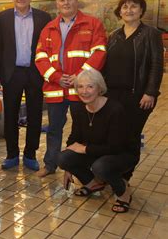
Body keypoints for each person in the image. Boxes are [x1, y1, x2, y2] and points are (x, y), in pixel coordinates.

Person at [35, 0, 107, 177]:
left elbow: (99, 52)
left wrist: (81, 77)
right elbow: (40, 57)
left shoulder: (92, 24)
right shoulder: (48, 28)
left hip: (82, 90)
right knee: (54, 130)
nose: (66, 3)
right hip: (56, 88)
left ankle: (83, 167)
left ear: (77, 1)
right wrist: (57, 77)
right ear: (57, 4)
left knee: (85, 130)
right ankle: (50, 165)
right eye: (62, 0)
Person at [57, 69, 137, 213]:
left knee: (100, 166)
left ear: (99, 88)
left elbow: (116, 147)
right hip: (97, 151)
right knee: (63, 158)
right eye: (80, 87)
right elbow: (74, 139)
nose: (84, 91)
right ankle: (93, 183)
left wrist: (85, 149)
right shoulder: (80, 110)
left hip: (122, 154)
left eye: (90, 86)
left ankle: (124, 193)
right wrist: (68, 167)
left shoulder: (115, 109)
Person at [104, 0, 164, 180]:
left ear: (141, 10)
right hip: (113, 95)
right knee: (113, 135)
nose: (128, 10)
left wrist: (150, 92)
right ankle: (110, 172)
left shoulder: (150, 34)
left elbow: (156, 65)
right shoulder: (114, 35)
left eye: (133, 6)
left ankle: (125, 177)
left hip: (137, 96)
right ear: (119, 11)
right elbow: (105, 65)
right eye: (125, 7)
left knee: (131, 137)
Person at [0, 0, 52, 171]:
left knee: (35, 115)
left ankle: (30, 154)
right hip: (12, 73)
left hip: (35, 72)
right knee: (10, 115)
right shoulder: (1, 18)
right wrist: (0, 75)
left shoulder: (43, 17)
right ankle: (11, 154)